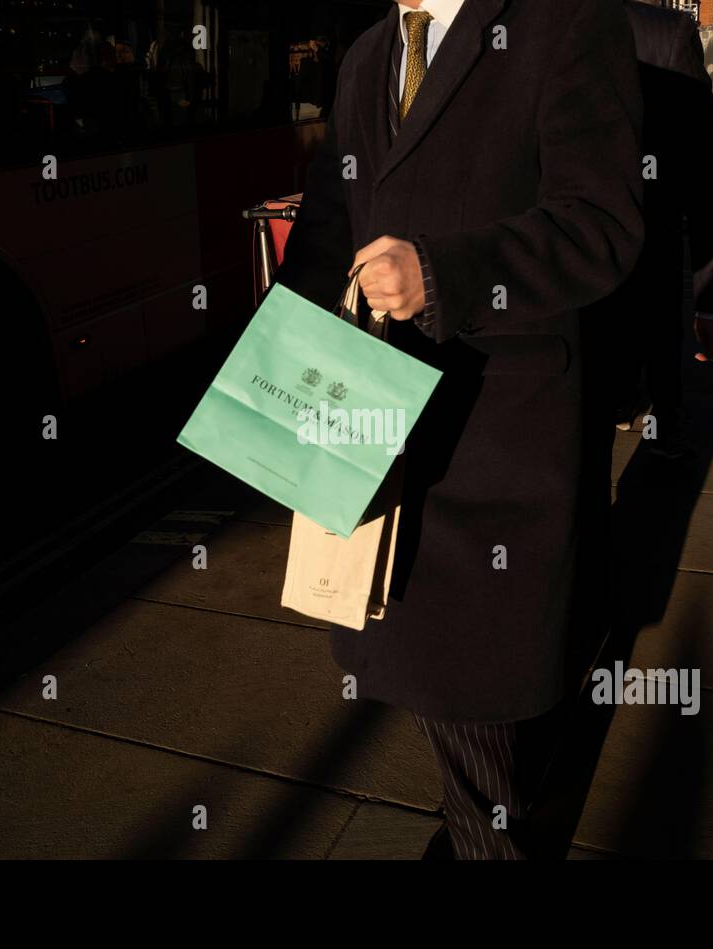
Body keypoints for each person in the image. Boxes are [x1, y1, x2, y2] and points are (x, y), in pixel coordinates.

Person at [276, 0, 644, 860]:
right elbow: (332, 223)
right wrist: (280, 379)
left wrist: (447, 275)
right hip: (379, 443)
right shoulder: (369, 52)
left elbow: (604, 223)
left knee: (481, 723)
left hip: (496, 454)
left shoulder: (567, 27)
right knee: (449, 715)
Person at [593, 0, 713, 460]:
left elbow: (705, 169)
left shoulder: (663, 33)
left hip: (645, 236)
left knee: (658, 334)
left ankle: (665, 419)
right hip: (554, 265)